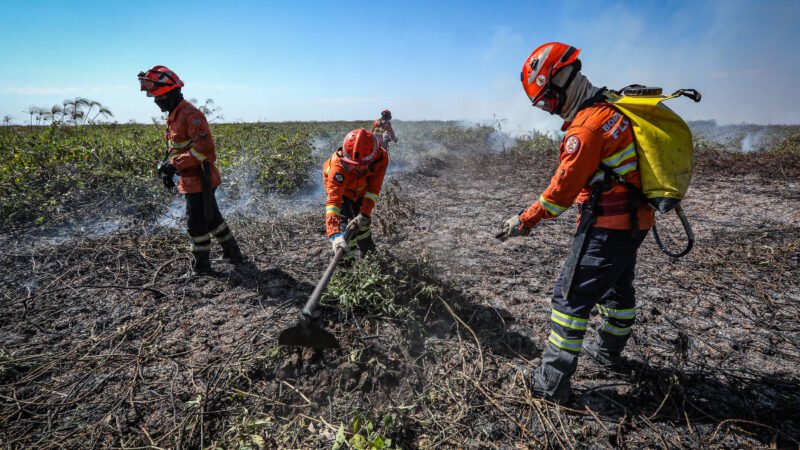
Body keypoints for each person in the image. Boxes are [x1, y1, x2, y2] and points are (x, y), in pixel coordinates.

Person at [499, 42, 655, 404]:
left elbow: (560, 194)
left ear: (563, 80)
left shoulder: (585, 130)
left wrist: (523, 221)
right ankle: (608, 352)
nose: (550, 110)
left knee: (569, 300)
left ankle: (549, 385)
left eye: (548, 100)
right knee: (617, 289)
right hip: (635, 222)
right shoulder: (612, 107)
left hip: (607, 224)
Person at [138, 65, 244, 276]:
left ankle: (201, 267)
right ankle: (233, 253)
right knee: (211, 216)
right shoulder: (175, 115)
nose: (155, 101)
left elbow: (205, 149)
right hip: (189, 178)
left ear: (169, 94)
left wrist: (175, 165)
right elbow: (180, 149)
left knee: (196, 223)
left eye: (157, 97)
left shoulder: (190, 115)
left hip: (201, 178)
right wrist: (169, 171)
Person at [323, 128, 389, 256]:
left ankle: (368, 252)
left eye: (359, 165)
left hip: (361, 189)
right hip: (342, 191)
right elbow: (333, 202)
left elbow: (373, 190)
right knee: (344, 228)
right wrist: (334, 234)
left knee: (363, 225)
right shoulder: (337, 168)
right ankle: (345, 265)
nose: (353, 167)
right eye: (350, 164)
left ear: (372, 160)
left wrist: (364, 214)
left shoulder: (381, 159)